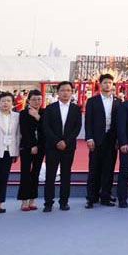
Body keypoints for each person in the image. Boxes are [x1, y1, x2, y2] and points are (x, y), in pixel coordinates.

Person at [41, 81, 83, 212]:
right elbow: (46, 127)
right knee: (50, 175)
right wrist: (57, 141)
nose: (66, 93)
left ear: (72, 92)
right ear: (57, 92)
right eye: (63, 90)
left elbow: (77, 128)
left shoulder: (76, 109)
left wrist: (66, 141)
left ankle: (64, 202)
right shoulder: (50, 108)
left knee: (66, 174)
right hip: (52, 147)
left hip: (68, 147)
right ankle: (48, 203)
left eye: (68, 90)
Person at [85, 74, 120, 208]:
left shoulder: (118, 102)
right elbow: (88, 122)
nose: (107, 85)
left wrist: (118, 140)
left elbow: (119, 123)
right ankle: (91, 197)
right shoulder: (92, 101)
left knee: (109, 169)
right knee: (94, 169)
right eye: (105, 82)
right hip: (96, 140)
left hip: (111, 141)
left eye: (110, 83)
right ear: (100, 84)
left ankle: (105, 196)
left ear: (113, 85)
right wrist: (89, 138)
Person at [17, 90, 44, 211]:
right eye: (34, 99)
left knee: (36, 173)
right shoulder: (23, 113)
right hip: (27, 147)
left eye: (39, 99)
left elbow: (46, 129)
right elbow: (25, 131)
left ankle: (33, 199)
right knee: (25, 173)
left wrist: (37, 117)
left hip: (41, 147)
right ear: (28, 100)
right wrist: (32, 145)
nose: (37, 102)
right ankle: (24, 200)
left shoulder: (44, 113)